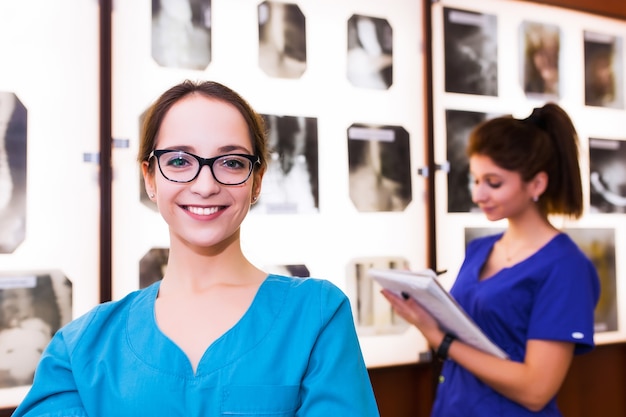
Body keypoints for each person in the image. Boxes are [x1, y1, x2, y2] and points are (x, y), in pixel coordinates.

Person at [14, 80, 380, 417]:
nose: (205, 185)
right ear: (150, 178)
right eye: (178, 161)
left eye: (232, 162)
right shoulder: (83, 348)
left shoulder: (316, 315)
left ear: (257, 181)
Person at [383, 102, 600, 416]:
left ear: (537, 184)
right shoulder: (480, 250)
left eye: (493, 183)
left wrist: (440, 341)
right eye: (475, 180)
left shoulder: (566, 268)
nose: (478, 195)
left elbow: (535, 390)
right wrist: (423, 300)